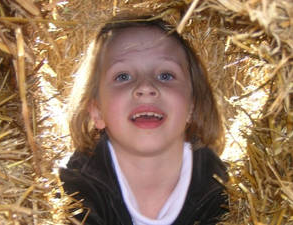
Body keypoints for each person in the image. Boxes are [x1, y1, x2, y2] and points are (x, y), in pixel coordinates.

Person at [60, 14, 228, 225]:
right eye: (123, 76)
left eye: (165, 75)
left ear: (192, 106)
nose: (145, 87)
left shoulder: (219, 188)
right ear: (97, 111)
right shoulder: (74, 188)